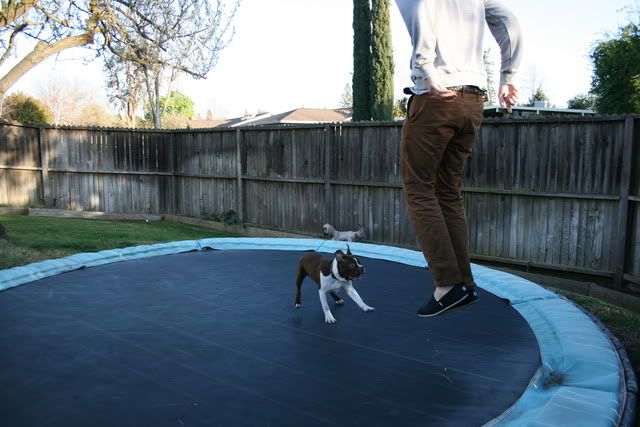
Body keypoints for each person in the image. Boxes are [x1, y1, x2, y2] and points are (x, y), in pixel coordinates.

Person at [395, 0, 523, 317]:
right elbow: (507, 20)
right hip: (473, 99)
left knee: (419, 188)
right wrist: (509, 73)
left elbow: (422, 7)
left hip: (437, 94)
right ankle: (464, 284)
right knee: (448, 191)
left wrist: (426, 66)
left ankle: (447, 284)